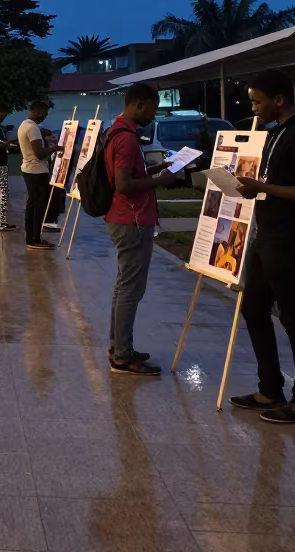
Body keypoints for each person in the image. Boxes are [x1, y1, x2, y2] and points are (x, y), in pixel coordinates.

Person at [231, 69, 295, 423]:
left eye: (258, 102)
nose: (254, 108)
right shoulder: (274, 134)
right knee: (253, 308)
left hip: (291, 239)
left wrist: (263, 188)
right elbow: (271, 180)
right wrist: (250, 187)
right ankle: (270, 388)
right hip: (267, 236)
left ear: (279, 100)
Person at [104, 83, 180, 375]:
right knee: (130, 289)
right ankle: (122, 355)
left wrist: (157, 170)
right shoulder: (126, 138)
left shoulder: (118, 131)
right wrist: (160, 182)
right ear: (139, 103)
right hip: (131, 220)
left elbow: (129, 175)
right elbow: (124, 184)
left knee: (124, 287)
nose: (153, 114)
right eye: (152, 108)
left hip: (124, 218)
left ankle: (120, 346)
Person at [17, 102, 63, 249]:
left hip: (30, 169)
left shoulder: (24, 124)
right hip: (36, 171)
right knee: (38, 206)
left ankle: (32, 238)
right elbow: (39, 153)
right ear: (37, 112)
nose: (45, 118)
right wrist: (55, 148)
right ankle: (34, 239)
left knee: (33, 205)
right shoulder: (32, 128)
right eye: (44, 115)